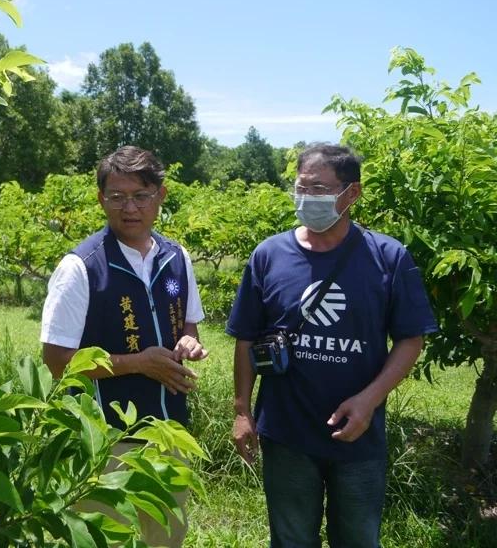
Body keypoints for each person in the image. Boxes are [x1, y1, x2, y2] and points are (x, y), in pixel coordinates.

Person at [226, 142, 438, 548]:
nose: (308, 199)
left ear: (352, 193)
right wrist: (241, 411)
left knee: (358, 539)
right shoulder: (269, 255)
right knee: (290, 540)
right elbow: (246, 337)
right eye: (302, 187)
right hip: (286, 433)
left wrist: (369, 400)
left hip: (357, 435)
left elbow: (411, 337)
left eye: (321, 190)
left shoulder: (387, 256)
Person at [41, 145, 207, 547]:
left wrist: (188, 342)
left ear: (160, 197)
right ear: (101, 199)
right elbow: (57, 361)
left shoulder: (177, 258)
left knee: (165, 538)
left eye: (140, 196)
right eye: (117, 197)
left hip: (169, 435)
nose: (129, 207)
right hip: (106, 441)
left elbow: (189, 325)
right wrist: (138, 364)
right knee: (103, 539)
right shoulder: (81, 267)